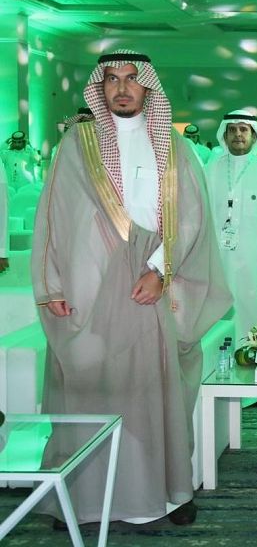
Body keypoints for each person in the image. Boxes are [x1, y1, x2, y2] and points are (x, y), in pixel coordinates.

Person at [31, 50, 232, 526]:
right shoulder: (76, 144)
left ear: (148, 88)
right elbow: (52, 215)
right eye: (112, 79)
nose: (122, 88)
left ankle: (166, 493)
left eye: (131, 79)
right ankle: (81, 496)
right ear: (100, 88)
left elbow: (192, 217)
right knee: (89, 388)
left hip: (150, 287)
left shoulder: (174, 148)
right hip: (87, 289)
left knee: (152, 391)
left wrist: (161, 270)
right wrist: (52, 285)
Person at [205, 110, 257, 339]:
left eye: (244, 129)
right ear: (224, 135)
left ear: (254, 136)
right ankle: (222, 355)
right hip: (218, 259)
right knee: (219, 314)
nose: (238, 134)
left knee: (255, 312)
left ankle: (256, 353)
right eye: (232, 130)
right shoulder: (211, 170)